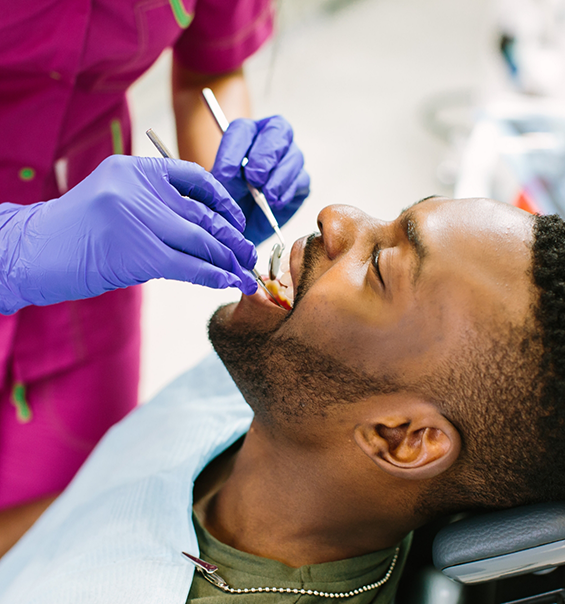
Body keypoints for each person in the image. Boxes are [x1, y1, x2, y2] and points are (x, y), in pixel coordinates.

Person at [1, 193, 564, 604]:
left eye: (378, 267)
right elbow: (77, 517)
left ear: (402, 438)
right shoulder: (287, 388)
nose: (336, 215)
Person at [0, 0, 313, 529]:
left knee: (70, 512)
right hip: (67, 239)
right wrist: (16, 249)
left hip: (99, 257)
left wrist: (225, 175)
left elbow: (208, 69)